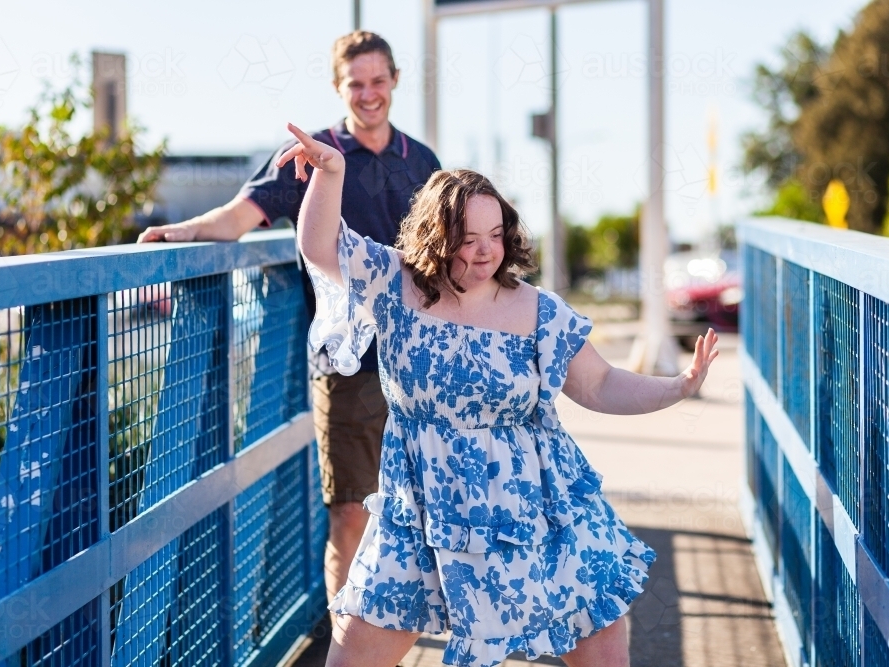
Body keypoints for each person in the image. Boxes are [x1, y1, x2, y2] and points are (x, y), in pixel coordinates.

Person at [279, 124, 719, 667]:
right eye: (468, 237)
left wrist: (678, 387)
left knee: (602, 642)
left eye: (496, 232)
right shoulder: (396, 283)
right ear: (437, 236)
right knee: (353, 653)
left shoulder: (536, 309)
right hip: (420, 506)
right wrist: (331, 173)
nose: (487, 249)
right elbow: (320, 249)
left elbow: (599, 383)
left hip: (533, 506)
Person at [137, 31, 441, 609]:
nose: (369, 94)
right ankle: (347, 642)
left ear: (395, 81)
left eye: (379, 81)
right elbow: (237, 218)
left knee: (416, 517)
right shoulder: (311, 153)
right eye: (357, 83)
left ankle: (396, 630)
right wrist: (180, 232)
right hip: (348, 363)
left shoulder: (422, 162)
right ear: (338, 87)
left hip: (419, 362)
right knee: (350, 514)